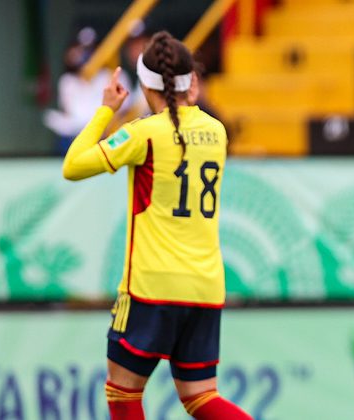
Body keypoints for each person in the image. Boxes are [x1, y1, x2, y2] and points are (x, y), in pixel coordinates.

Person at [62, 31, 251, 420]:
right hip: (205, 287)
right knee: (200, 397)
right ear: (191, 81)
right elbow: (186, 125)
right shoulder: (216, 132)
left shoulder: (143, 133)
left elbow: (73, 165)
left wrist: (106, 109)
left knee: (123, 393)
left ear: (145, 85)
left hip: (152, 287)